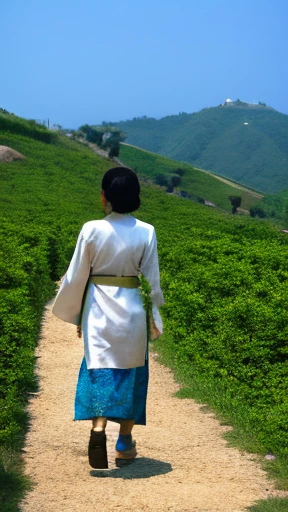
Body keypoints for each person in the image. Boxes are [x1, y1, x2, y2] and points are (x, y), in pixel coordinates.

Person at [52, 166, 164, 469]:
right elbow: (152, 279)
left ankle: (98, 428)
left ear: (105, 197)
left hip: (98, 308)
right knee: (131, 373)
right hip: (131, 310)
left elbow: (77, 276)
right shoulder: (147, 231)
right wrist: (155, 316)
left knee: (98, 368)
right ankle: (125, 443)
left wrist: (77, 315)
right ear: (136, 197)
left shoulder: (91, 229)